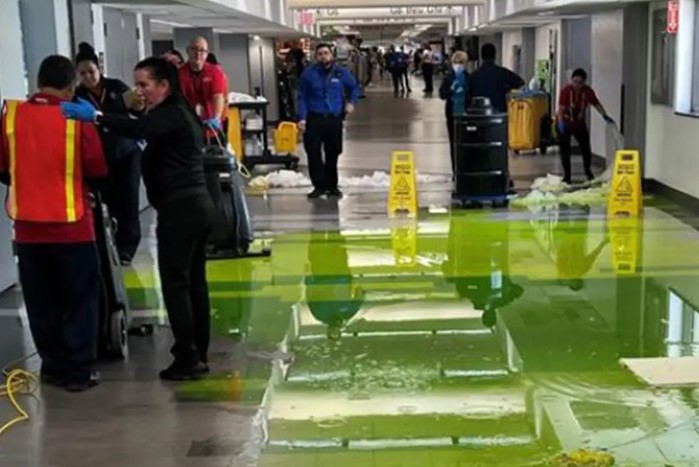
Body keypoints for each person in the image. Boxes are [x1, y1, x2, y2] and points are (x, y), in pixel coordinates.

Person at [61, 57, 215, 381]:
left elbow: (141, 129)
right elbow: (146, 123)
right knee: (194, 282)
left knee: (177, 284)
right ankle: (197, 350)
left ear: (164, 85)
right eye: (137, 85)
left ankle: (188, 358)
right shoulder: (176, 111)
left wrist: (99, 116)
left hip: (181, 209)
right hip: (196, 206)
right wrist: (133, 112)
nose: (139, 91)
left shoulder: (172, 112)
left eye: (145, 85)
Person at [0, 55, 107, 392]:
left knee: (41, 301)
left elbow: (3, 167)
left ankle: (52, 366)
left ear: (37, 81)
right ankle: (77, 372)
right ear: (71, 85)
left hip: (28, 231)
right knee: (78, 300)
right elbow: (97, 168)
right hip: (72, 225)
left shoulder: (12, 115)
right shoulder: (77, 118)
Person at [74, 43, 143, 265]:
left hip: (126, 154)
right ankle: (106, 245)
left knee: (128, 203)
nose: (88, 77)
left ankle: (126, 250)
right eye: (82, 73)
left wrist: (140, 105)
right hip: (98, 159)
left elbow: (136, 111)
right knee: (104, 203)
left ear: (99, 69)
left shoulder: (116, 87)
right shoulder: (78, 96)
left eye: (91, 71)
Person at [297, 43, 360, 199]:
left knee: (333, 152)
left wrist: (351, 102)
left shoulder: (341, 73)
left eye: (326, 53)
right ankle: (319, 186)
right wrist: (302, 117)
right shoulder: (308, 74)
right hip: (314, 119)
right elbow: (302, 97)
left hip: (333, 119)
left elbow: (354, 88)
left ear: (332, 55)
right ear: (316, 56)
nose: (323, 56)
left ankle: (332, 186)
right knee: (313, 153)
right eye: (320, 53)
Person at [556, 68, 614, 184]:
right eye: (575, 81)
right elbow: (561, 110)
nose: (577, 85)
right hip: (565, 122)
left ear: (584, 83)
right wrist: (561, 123)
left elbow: (596, 104)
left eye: (580, 82)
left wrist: (604, 115)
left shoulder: (587, 92)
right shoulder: (565, 91)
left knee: (586, 149)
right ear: (571, 80)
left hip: (579, 124)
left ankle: (588, 172)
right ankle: (567, 176)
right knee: (565, 151)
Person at [178, 36, 226, 141]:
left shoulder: (215, 72)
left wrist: (216, 118)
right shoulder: (179, 74)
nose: (198, 53)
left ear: (207, 53)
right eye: (194, 49)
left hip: (212, 128)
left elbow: (217, 95)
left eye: (202, 50)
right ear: (188, 51)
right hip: (188, 129)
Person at [468, 43, 525, 113]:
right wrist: (506, 89)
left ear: (481, 56)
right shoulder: (503, 73)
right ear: (495, 56)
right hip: (499, 113)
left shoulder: (473, 76)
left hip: (479, 114)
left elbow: (468, 97)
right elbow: (520, 82)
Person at [439, 51, 469, 177]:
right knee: (453, 142)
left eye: (461, 62)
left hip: (466, 114)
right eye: (456, 63)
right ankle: (455, 171)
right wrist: (451, 89)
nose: (458, 65)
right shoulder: (448, 77)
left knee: (466, 143)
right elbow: (442, 94)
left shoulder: (469, 78)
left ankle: (465, 168)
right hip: (452, 113)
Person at [205, 53, 230, 133]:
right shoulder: (220, 72)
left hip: (218, 114)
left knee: (219, 140)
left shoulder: (215, 74)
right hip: (222, 113)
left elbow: (218, 95)